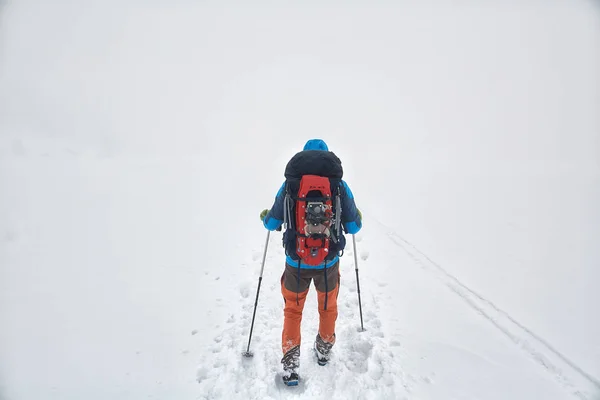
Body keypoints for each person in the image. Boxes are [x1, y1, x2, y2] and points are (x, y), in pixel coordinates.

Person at [260, 139, 362, 385]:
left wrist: (266, 217)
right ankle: (324, 349)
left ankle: (291, 364)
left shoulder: (290, 184)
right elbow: (354, 226)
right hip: (328, 262)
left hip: (296, 262)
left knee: (293, 310)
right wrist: (356, 215)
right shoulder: (339, 186)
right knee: (327, 308)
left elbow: (273, 222)